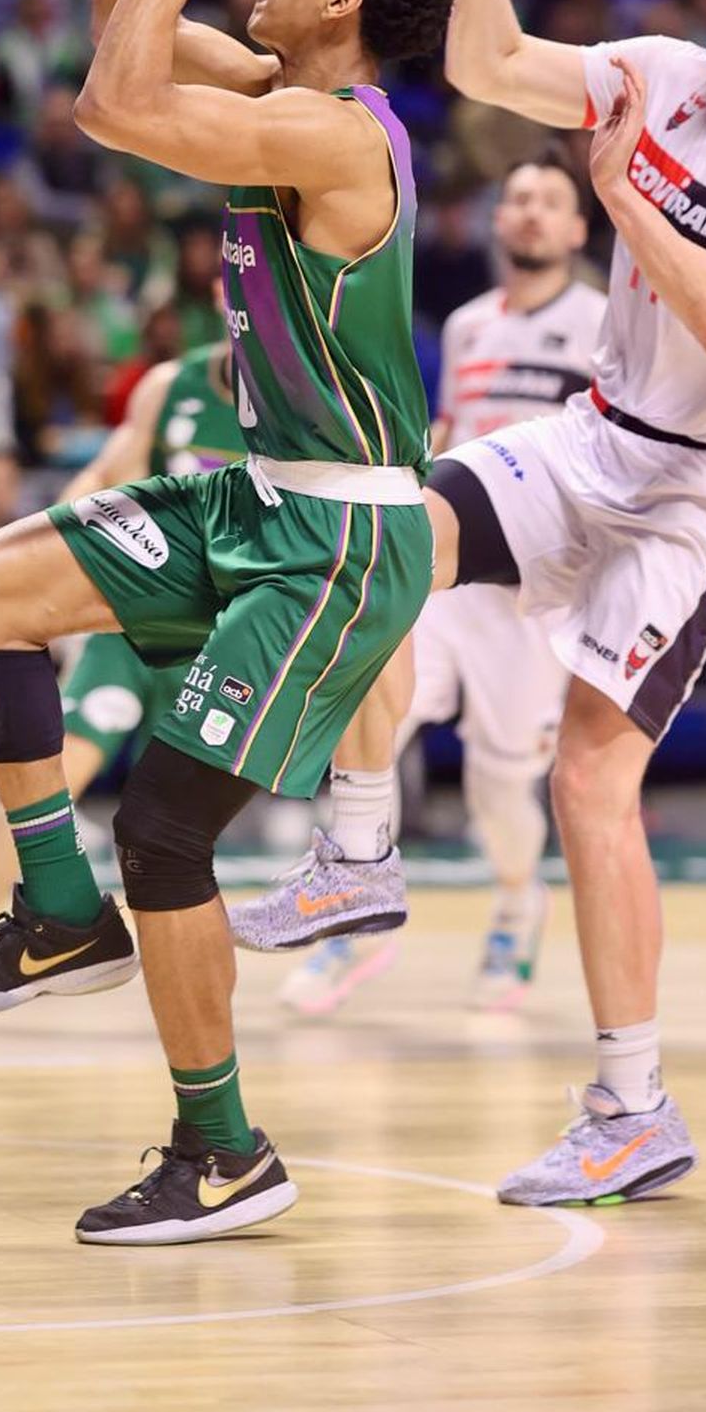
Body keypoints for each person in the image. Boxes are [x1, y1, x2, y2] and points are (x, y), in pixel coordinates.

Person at [237, 0, 706, 1209]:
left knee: (593, 779)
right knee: (380, 538)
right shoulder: (664, 72)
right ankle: (357, 853)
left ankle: (631, 1103)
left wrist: (622, 195)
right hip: (592, 438)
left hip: (700, 489)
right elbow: (485, 64)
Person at [0, 0, 459, 1244]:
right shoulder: (286, 101)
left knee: (166, 830)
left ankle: (222, 1151)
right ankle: (51, 910)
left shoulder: (340, 138)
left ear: (342, 4)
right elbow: (121, 40)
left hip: (337, 537)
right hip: (249, 497)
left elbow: (114, 106)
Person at [251, 154, 606, 1016]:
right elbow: (446, 428)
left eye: (547, 202)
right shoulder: (468, 326)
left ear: (575, 232)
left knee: (497, 786)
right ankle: (356, 926)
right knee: (370, 721)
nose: (527, 212)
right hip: (442, 573)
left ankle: (520, 907)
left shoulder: (601, 323)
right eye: (515, 196)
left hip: (533, 589)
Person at [0, 339, 244, 1026]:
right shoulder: (171, 387)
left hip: (226, 645)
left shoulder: (310, 391)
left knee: (177, 845)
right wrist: (52, 567)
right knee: (39, 782)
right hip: (131, 636)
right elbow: (100, 481)